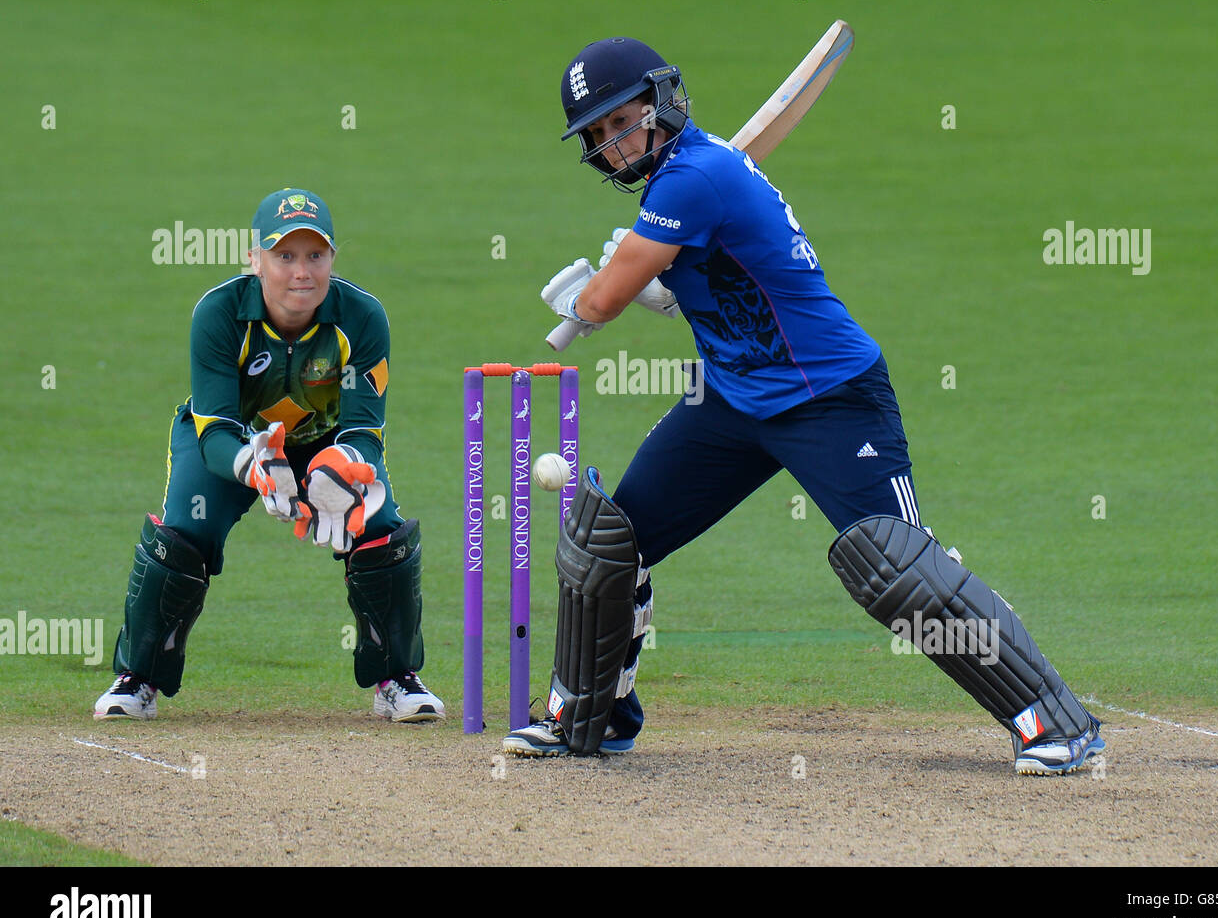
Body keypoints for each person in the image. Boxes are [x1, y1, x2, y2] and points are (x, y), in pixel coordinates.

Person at [505, 38, 1104, 775]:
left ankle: (1056, 723)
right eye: (596, 135)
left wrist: (590, 296)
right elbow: (723, 271)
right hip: (730, 399)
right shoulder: (682, 184)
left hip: (830, 396)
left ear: (661, 103)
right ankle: (588, 718)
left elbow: (602, 300)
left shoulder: (696, 176)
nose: (612, 143)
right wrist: (665, 281)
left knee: (899, 568)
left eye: (620, 120)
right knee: (609, 543)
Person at [94, 188, 444, 723]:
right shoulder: (218, 314)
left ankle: (396, 677)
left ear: (332, 258)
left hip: (324, 447)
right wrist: (255, 466)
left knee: (378, 527)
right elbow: (213, 433)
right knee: (186, 533)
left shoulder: (363, 317)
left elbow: (365, 431)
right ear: (254, 259)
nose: (301, 272)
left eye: (315, 255)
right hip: (231, 447)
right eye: (284, 256)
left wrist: (339, 469)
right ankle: (137, 678)